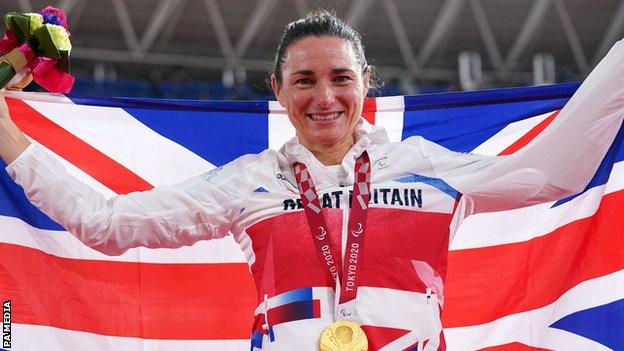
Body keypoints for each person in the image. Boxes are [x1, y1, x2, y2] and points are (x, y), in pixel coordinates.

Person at [1, 11, 623, 351]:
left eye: (340, 78)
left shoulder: (427, 169)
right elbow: (106, 224)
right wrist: (5, 130)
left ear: (366, 83)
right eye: (304, 81)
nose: (324, 97)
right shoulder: (247, 183)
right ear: (278, 91)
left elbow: (550, 173)